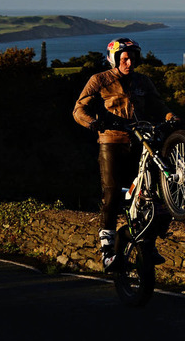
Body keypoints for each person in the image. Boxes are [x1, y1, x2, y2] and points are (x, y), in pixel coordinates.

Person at [73, 38, 176, 271]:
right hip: (111, 142)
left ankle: (147, 243)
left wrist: (170, 116)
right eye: (124, 58)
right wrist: (91, 124)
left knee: (150, 198)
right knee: (111, 196)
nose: (129, 62)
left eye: (132, 58)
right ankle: (107, 252)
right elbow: (79, 109)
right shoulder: (99, 80)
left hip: (141, 143)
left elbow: (159, 105)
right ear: (114, 59)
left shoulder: (143, 81)